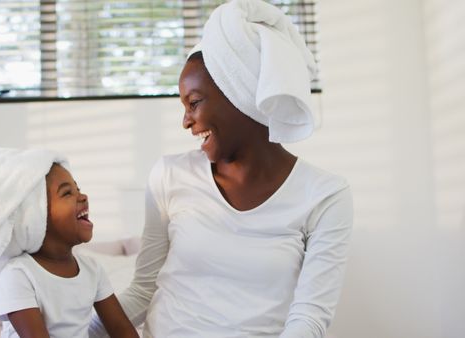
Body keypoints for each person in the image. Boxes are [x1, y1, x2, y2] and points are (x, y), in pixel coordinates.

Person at [90, 1, 353, 337]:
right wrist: (65, 330)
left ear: (240, 94)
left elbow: (309, 319)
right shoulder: (170, 175)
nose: (186, 121)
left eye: (194, 102)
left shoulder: (325, 195)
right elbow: (143, 290)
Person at [0, 147, 138, 338]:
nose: (83, 197)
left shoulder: (92, 270)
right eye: (67, 193)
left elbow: (122, 329)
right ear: (35, 215)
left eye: (78, 189)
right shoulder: (19, 274)